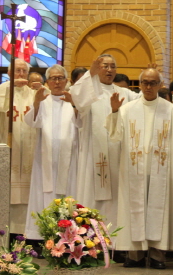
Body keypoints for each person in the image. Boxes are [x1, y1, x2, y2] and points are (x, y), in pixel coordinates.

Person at [106, 68, 173, 269]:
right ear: (140, 84)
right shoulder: (127, 109)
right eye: (145, 82)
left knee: (158, 208)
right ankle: (135, 254)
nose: (148, 86)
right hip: (134, 169)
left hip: (160, 169)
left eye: (153, 83)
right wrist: (114, 111)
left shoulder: (170, 109)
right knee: (135, 209)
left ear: (160, 85)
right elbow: (115, 136)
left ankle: (157, 254)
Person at [70, 54, 140, 228]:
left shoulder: (125, 93)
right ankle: (91, 236)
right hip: (93, 155)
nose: (109, 70)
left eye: (113, 66)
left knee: (118, 196)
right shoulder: (90, 91)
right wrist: (90, 73)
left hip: (118, 156)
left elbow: (142, 103)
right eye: (105, 66)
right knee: (92, 193)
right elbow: (76, 96)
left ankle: (118, 237)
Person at [23, 65, 80, 240]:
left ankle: (68, 238)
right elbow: (32, 122)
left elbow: (82, 123)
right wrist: (36, 102)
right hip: (45, 161)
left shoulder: (72, 100)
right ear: (47, 81)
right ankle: (44, 237)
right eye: (53, 78)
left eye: (60, 78)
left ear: (66, 81)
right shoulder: (43, 100)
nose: (57, 82)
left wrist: (75, 104)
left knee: (68, 195)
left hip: (69, 160)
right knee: (45, 195)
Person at [0, 58, 36, 234]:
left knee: (28, 191)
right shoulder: (1, 90)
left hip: (29, 149)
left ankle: (27, 232)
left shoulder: (33, 93)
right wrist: (10, 88)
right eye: (17, 70)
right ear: (9, 73)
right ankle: (6, 230)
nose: (21, 74)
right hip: (9, 146)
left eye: (24, 71)